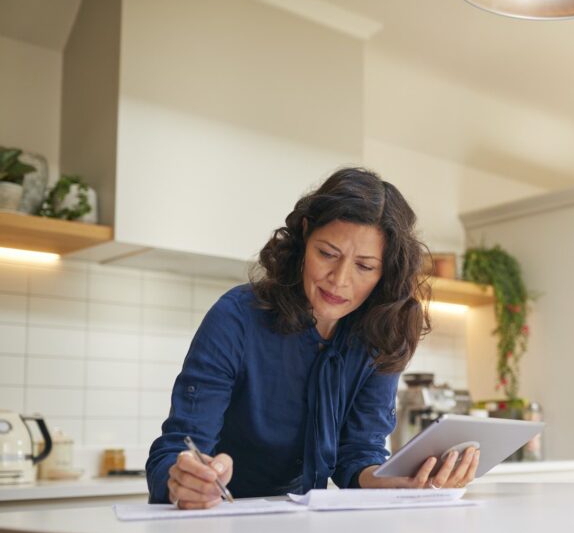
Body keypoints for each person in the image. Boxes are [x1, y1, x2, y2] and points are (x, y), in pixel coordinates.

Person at [146, 168, 479, 508]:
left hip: (304, 524)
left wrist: (396, 481)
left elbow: (358, 454)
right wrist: (184, 479)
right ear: (306, 234)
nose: (339, 280)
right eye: (327, 254)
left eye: (364, 267)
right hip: (218, 518)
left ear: (386, 272)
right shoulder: (236, 318)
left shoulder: (383, 332)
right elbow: (177, 449)